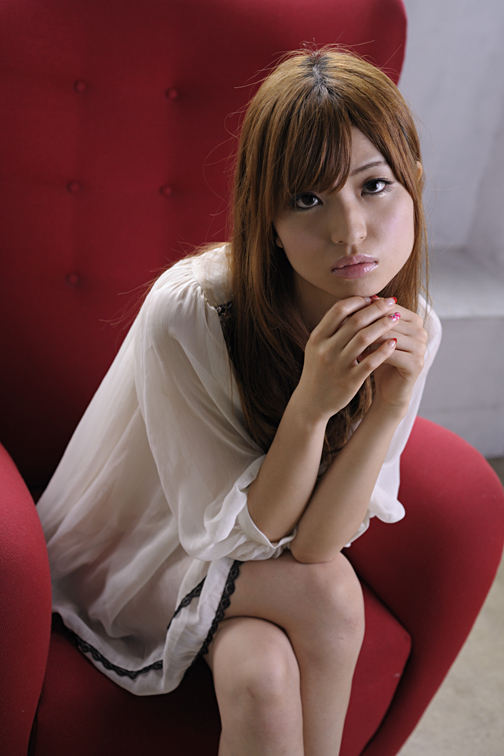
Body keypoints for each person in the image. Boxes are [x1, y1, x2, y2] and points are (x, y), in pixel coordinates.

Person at [37, 47, 441, 755]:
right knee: (331, 594)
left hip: (266, 566)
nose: (350, 230)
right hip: (142, 555)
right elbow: (241, 538)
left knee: (261, 674)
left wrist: (386, 405)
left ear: (415, 182)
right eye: (307, 199)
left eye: (375, 185)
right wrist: (312, 405)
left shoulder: (410, 329)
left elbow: (316, 543)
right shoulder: (194, 309)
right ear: (268, 216)